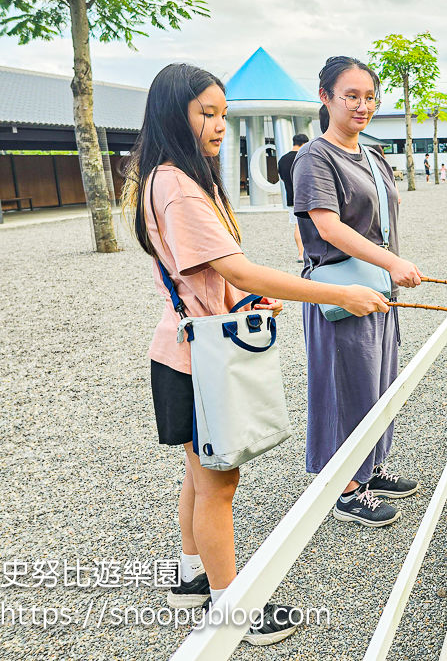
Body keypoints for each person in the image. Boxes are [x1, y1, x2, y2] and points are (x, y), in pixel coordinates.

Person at [122, 63, 389, 645]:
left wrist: (248, 298)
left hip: (183, 346)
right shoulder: (178, 183)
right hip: (200, 358)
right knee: (221, 481)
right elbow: (235, 267)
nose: (220, 125)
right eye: (207, 114)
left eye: (222, 112)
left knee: (199, 471)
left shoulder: (169, 178)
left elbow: (220, 278)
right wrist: (336, 292)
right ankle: (232, 606)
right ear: (175, 115)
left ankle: (193, 573)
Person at [293, 55, 422, 528]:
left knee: (376, 384)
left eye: (369, 96)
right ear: (325, 97)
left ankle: (368, 468)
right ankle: (344, 488)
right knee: (343, 387)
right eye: (351, 95)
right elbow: (324, 228)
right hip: (341, 293)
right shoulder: (315, 158)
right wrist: (390, 261)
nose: (362, 105)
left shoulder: (372, 154)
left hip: (377, 288)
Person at [277, 133, 310, 262]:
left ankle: (300, 254)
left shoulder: (282, 160)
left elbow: (282, 179)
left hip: (291, 198)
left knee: (297, 225)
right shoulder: (304, 157)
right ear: (304, 144)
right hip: (307, 196)